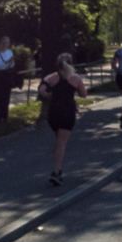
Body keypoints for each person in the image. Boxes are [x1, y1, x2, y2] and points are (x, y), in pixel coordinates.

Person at [37, 53, 87, 185]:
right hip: (67, 112)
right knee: (61, 143)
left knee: (59, 140)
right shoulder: (75, 78)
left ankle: (59, 169)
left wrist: (49, 95)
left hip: (53, 112)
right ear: (70, 63)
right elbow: (84, 94)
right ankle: (56, 171)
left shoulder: (52, 77)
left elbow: (41, 90)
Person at [0, 36, 17, 124]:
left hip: (7, 75)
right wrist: (8, 62)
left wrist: (10, 62)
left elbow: (12, 65)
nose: (6, 45)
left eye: (7, 43)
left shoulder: (9, 52)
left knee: (6, 96)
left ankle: (4, 116)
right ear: (0, 43)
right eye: (4, 43)